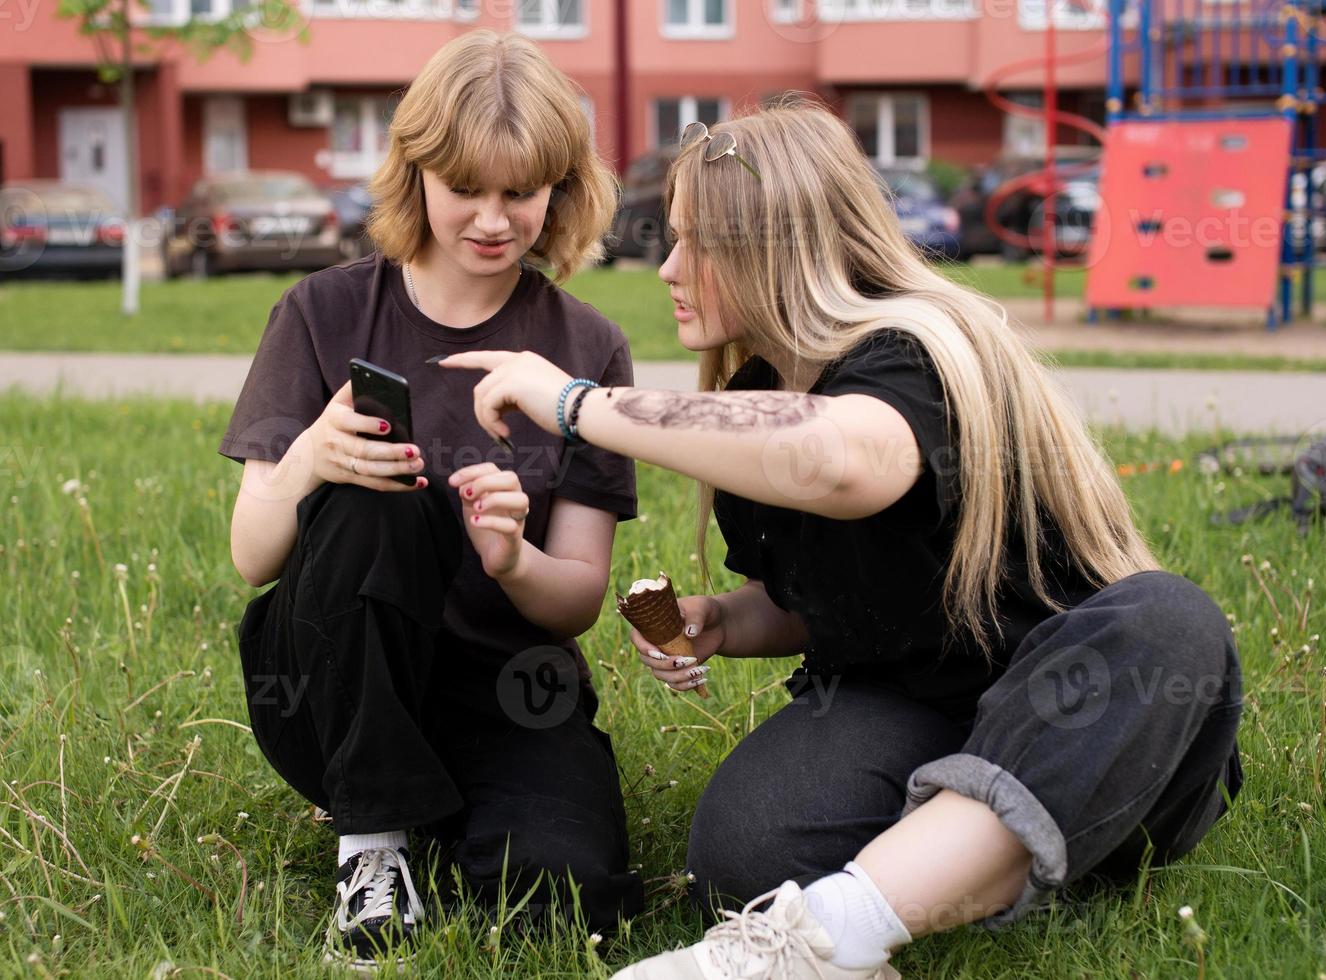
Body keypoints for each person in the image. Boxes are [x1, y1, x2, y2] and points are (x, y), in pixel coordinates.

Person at [437, 101, 1244, 980]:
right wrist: (724, 620)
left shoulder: (917, 352)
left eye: (697, 242)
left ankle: (836, 930)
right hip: (916, 708)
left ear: (779, 247)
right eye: (670, 238)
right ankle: (943, 872)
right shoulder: (760, 387)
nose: (668, 268)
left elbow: (840, 460)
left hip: (1083, 712)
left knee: (1168, 620)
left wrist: (578, 404)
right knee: (742, 853)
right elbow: (816, 600)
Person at [219, 30, 644, 970]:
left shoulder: (588, 346)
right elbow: (254, 557)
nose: (494, 220)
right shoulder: (321, 313)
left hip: (509, 691)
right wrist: (308, 464)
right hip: (335, 684)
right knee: (379, 488)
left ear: (559, 191)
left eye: (521, 192)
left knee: (564, 904)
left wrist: (513, 559)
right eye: (466, 188)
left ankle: (443, 815)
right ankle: (373, 836)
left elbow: (577, 595)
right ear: (415, 175)